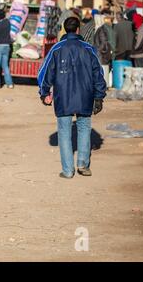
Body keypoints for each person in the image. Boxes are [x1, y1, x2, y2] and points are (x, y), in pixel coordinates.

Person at [37, 17, 107, 179]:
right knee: (84, 128)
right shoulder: (89, 49)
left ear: (64, 29)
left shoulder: (56, 49)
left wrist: (44, 92)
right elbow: (99, 75)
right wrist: (99, 97)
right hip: (85, 97)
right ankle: (83, 164)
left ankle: (68, 170)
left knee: (64, 132)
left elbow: (44, 73)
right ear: (78, 29)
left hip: (64, 97)